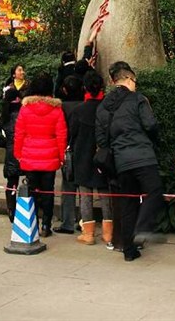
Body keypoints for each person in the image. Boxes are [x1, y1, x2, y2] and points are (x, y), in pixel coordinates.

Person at [96, 61, 165, 262]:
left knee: (128, 203)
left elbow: (101, 139)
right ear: (128, 79)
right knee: (154, 191)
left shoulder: (103, 106)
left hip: (120, 161)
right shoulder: (138, 99)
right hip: (142, 155)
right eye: (134, 81)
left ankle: (129, 249)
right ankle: (142, 228)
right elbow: (151, 125)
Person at [14, 74, 67, 237]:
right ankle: (46, 225)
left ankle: (33, 224)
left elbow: (19, 134)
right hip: (50, 156)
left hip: (29, 155)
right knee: (48, 192)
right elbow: (61, 135)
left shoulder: (25, 109)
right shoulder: (57, 110)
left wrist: (18, 154)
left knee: (32, 192)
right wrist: (61, 157)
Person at [69, 71, 112, 246]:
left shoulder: (78, 110)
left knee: (85, 194)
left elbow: (72, 134)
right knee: (105, 193)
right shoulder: (108, 110)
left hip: (82, 156)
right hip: (104, 157)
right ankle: (109, 233)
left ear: (85, 88)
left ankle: (88, 234)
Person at [53, 75, 85, 235]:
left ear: (64, 90)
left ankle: (67, 222)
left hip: (68, 151)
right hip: (85, 150)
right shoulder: (85, 106)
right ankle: (84, 221)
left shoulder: (61, 108)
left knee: (68, 187)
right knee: (84, 189)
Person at [0, 88, 23, 223]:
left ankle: (11, 210)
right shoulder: (24, 114)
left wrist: (6, 143)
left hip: (11, 153)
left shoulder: (4, 115)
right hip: (25, 152)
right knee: (31, 182)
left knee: (12, 183)